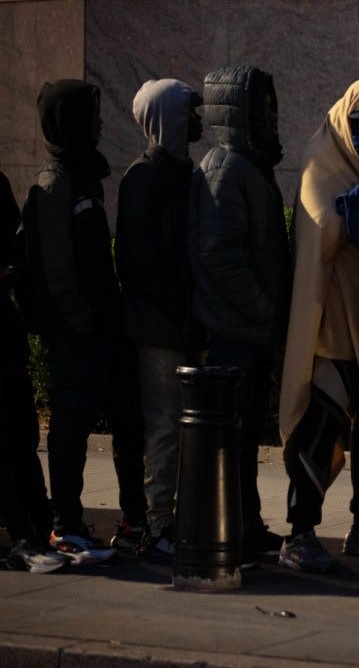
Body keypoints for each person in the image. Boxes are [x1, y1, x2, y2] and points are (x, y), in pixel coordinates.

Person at [277, 77, 359, 573]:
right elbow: (324, 233)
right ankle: (301, 530)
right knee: (319, 431)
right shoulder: (320, 161)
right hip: (332, 326)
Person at [21, 79, 147, 563]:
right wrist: (84, 326)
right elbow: (59, 272)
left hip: (102, 333)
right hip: (78, 337)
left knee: (125, 422)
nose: (99, 122)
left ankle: (133, 521)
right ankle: (65, 527)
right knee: (71, 429)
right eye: (90, 115)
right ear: (69, 121)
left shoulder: (83, 179)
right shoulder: (56, 185)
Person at [189, 65, 292, 563]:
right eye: (264, 109)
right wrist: (266, 306)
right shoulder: (225, 169)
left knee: (247, 435)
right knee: (232, 437)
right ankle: (232, 531)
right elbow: (218, 255)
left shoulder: (248, 167)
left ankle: (247, 525)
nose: (274, 119)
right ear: (242, 112)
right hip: (236, 332)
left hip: (250, 331)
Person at [116, 79, 205, 558]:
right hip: (157, 330)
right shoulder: (143, 179)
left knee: (181, 427)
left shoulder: (183, 174)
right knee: (165, 426)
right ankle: (158, 523)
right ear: (167, 117)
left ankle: (174, 519)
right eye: (188, 112)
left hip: (182, 324)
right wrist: (176, 306)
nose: (197, 120)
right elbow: (137, 264)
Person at [0, 166, 67, 574]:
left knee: (19, 434)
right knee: (9, 439)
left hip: (6, 335)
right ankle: (25, 532)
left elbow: (15, 247)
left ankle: (36, 529)